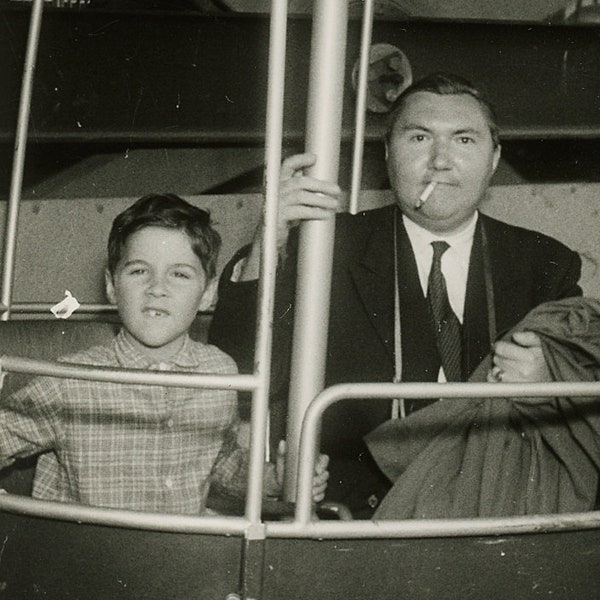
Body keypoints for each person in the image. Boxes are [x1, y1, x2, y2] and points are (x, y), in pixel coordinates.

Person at [209, 73, 582, 518]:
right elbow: (238, 373)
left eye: (464, 140)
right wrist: (267, 241)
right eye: (419, 137)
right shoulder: (322, 246)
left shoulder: (546, 264)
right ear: (388, 154)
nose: (440, 161)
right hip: (356, 515)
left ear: (494, 157)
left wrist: (553, 379)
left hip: (500, 506)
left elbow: (580, 412)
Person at [0, 194, 328, 514]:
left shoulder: (219, 370)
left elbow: (222, 464)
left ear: (208, 293)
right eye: (139, 271)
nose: (158, 287)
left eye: (180, 274)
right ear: (112, 287)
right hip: (89, 560)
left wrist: (276, 480)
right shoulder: (70, 380)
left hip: (181, 557)